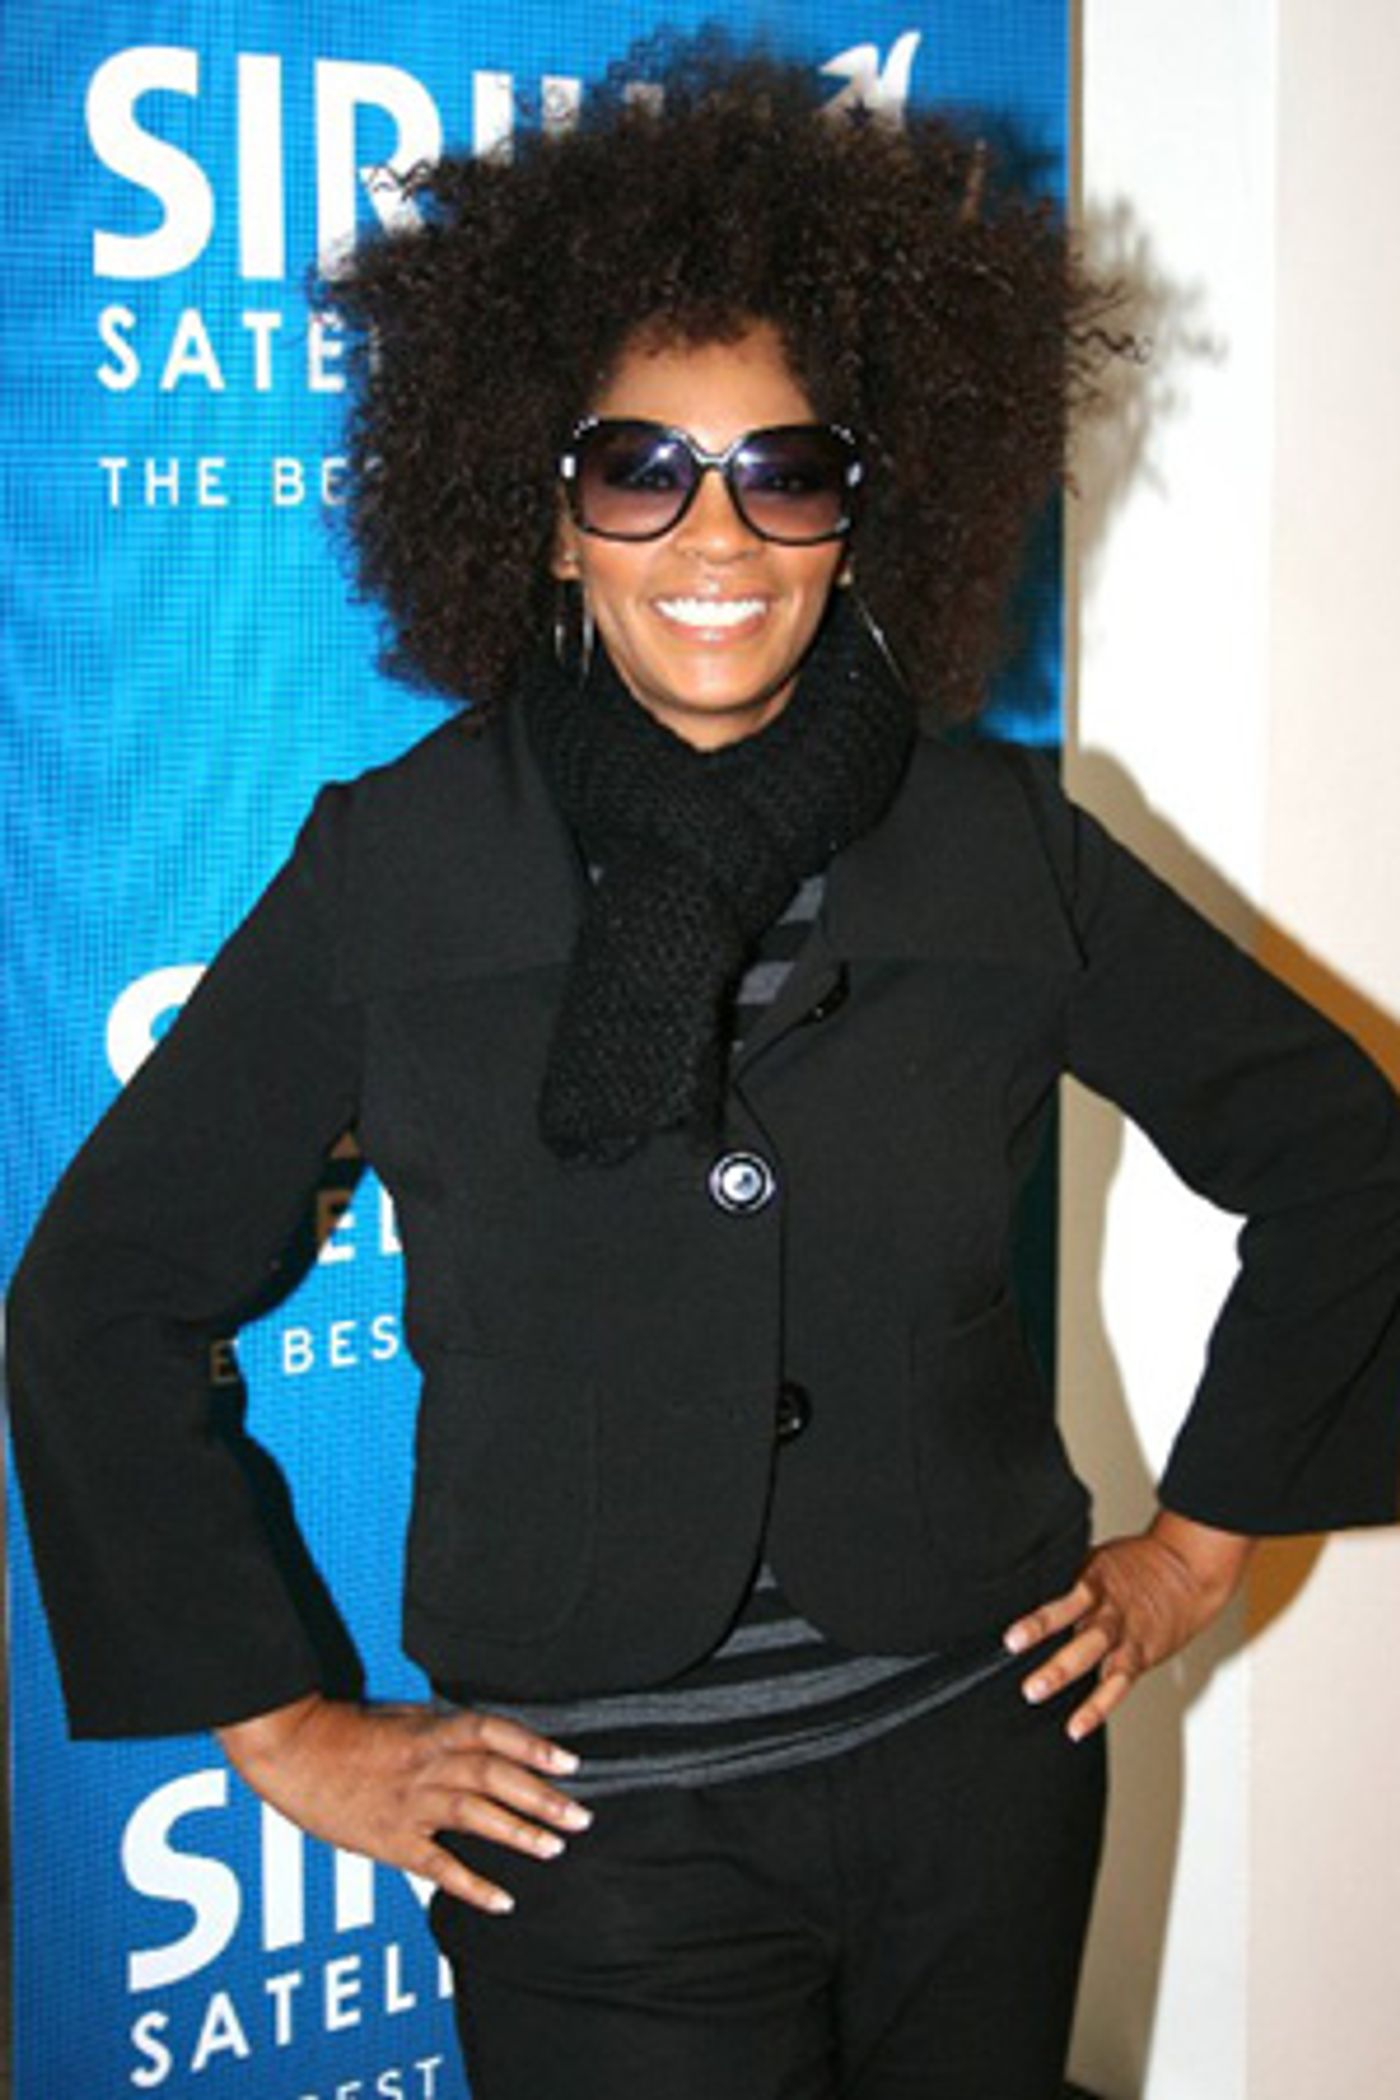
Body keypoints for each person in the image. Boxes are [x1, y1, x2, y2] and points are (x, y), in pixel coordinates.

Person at [9, 41, 1400, 2100]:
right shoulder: (401, 868)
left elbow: (1341, 1156)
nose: (715, 531)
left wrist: (1200, 1549)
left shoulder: (995, 843)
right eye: (638, 468)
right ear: (548, 516)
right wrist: (283, 1728)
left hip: (980, 1794)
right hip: (597, 1864)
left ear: (859, 513)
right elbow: (102, 1297)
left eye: (786, 470)